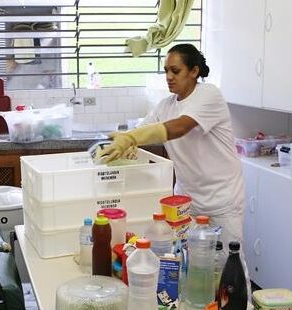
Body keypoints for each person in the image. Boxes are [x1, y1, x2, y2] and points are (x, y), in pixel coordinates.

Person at [97, 43, 244, 250]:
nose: (169, 76)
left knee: (230, 261)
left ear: (194, 71)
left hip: (222, 200)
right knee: (189, 260)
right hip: (186, 201)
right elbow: (143, 130)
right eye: (166, 71)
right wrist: (126, 141)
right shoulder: (165, 106)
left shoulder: (210, 95)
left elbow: (180, 127)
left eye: (175, 71)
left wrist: (131, 138)